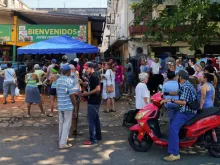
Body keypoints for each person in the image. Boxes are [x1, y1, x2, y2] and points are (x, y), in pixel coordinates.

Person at [162, 70, 197, 161]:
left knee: (173, 128)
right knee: (173, 121)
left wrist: (170, 100)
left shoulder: (186, 86)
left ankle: (174, 153)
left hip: (187, 111)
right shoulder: (185, 84)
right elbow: (177, 92)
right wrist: (166, 93)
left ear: (180, 77)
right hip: (183, 109)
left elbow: (184, 102)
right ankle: (176, 144)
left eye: (177, 76)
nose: (176, 77)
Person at [56, 65, 77, 149]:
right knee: (66, 124)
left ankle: (61, 139)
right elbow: (71, 95)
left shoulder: (58, 80)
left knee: (61, 123)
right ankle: (62, 144)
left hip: (60, 104)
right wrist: (74, 105)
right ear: (68, 72)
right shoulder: (69, 80)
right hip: (67, 105)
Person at [81, 62, 102, 145]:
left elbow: (97, 89)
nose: (85, 70)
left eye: (87, 68)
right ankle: (98, 136)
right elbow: (92, 86)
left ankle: (92, 139)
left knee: (91, 121)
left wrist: (87, 94)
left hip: (93, 101)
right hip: (95, 100)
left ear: (91, 68)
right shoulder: (92, 76)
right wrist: (85, 84)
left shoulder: (94, 76)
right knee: (96, 119)